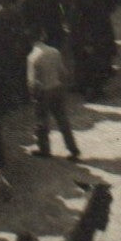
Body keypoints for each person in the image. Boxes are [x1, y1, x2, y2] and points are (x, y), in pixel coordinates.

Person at [26, 30, 80, 159]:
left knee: (42, 121)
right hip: (57, 88)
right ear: (43, 36)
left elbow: (32, 82)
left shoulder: (32, 57)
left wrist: (33, 95)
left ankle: (44, 149)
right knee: (62, 120)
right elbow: (63, 72)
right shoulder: (54, 52)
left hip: (43, 91)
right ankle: (73, 148)